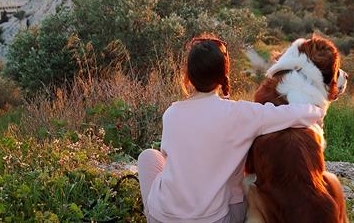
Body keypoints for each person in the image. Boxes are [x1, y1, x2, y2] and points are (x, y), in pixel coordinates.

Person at [137, 34, 324, 223]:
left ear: (188, 76)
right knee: (236, 183)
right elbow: (296, 114)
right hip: (216, 220)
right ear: (223, 75)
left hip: (162, 217)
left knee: (148, 156)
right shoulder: (241, 114)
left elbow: (170, 158)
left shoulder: (172, 114)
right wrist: (317, 109)